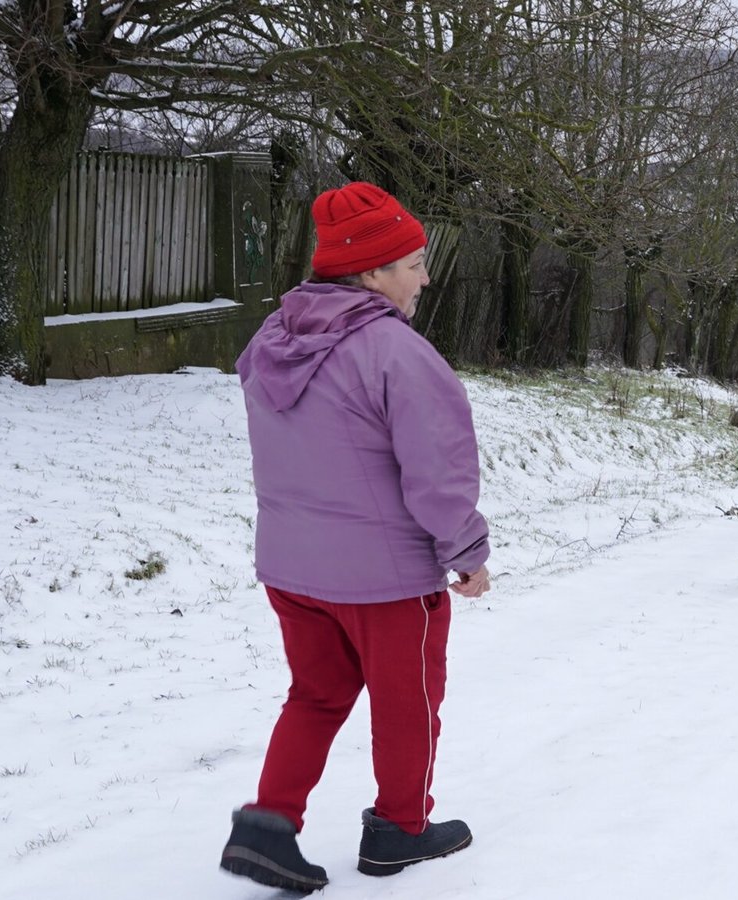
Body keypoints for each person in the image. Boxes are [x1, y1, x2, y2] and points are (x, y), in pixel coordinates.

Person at [219, 181, 492, 894]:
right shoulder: (396, 354)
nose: (424, 277)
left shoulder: (270, 341)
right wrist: (465, 551)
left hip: (290, 569)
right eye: (412, 263)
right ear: (371, 272)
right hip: (385, 579)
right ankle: (401, 828)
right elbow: (438, 472)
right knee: (407, 702)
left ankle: (267, 825)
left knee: (315, 693)